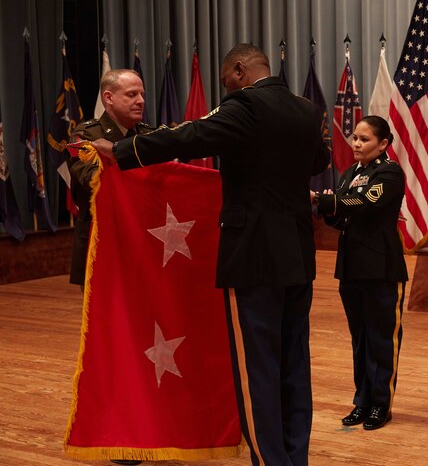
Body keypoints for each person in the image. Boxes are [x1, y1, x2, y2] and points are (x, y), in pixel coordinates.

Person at [92, 43, 329, 466]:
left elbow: (191, 134)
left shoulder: (245, 107)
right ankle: (296, 457)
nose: (226, 89)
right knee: (295, 363)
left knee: (260, 368)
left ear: (239, 70)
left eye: (226, 82)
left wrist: (123, 152)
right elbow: (318, 161)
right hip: (298, 254)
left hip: (254, 256)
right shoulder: (306, 110)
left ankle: (271, 461)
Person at [313, 115, 408, 430]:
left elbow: (365, 202)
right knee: (360, 339)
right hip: (351, 268)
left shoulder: (390, 173)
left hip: (381, 267)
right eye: (354, 137)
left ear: (383, 144)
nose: (356, 143)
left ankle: (381, 404)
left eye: (364, 139)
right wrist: (329, 208)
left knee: (381, 339)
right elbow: (341, 217)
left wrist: (327, 201)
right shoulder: (349, 173)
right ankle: (362, 402)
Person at [68, 69, 152, 290]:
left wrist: (114, 153)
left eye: (142, 94)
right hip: (102, 241)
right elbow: (92, 179)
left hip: (143, 239)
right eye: (132, 94)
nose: (141, 101)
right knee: (104, 321)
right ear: (108, 98)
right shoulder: (87, 135)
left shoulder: (148, 135)